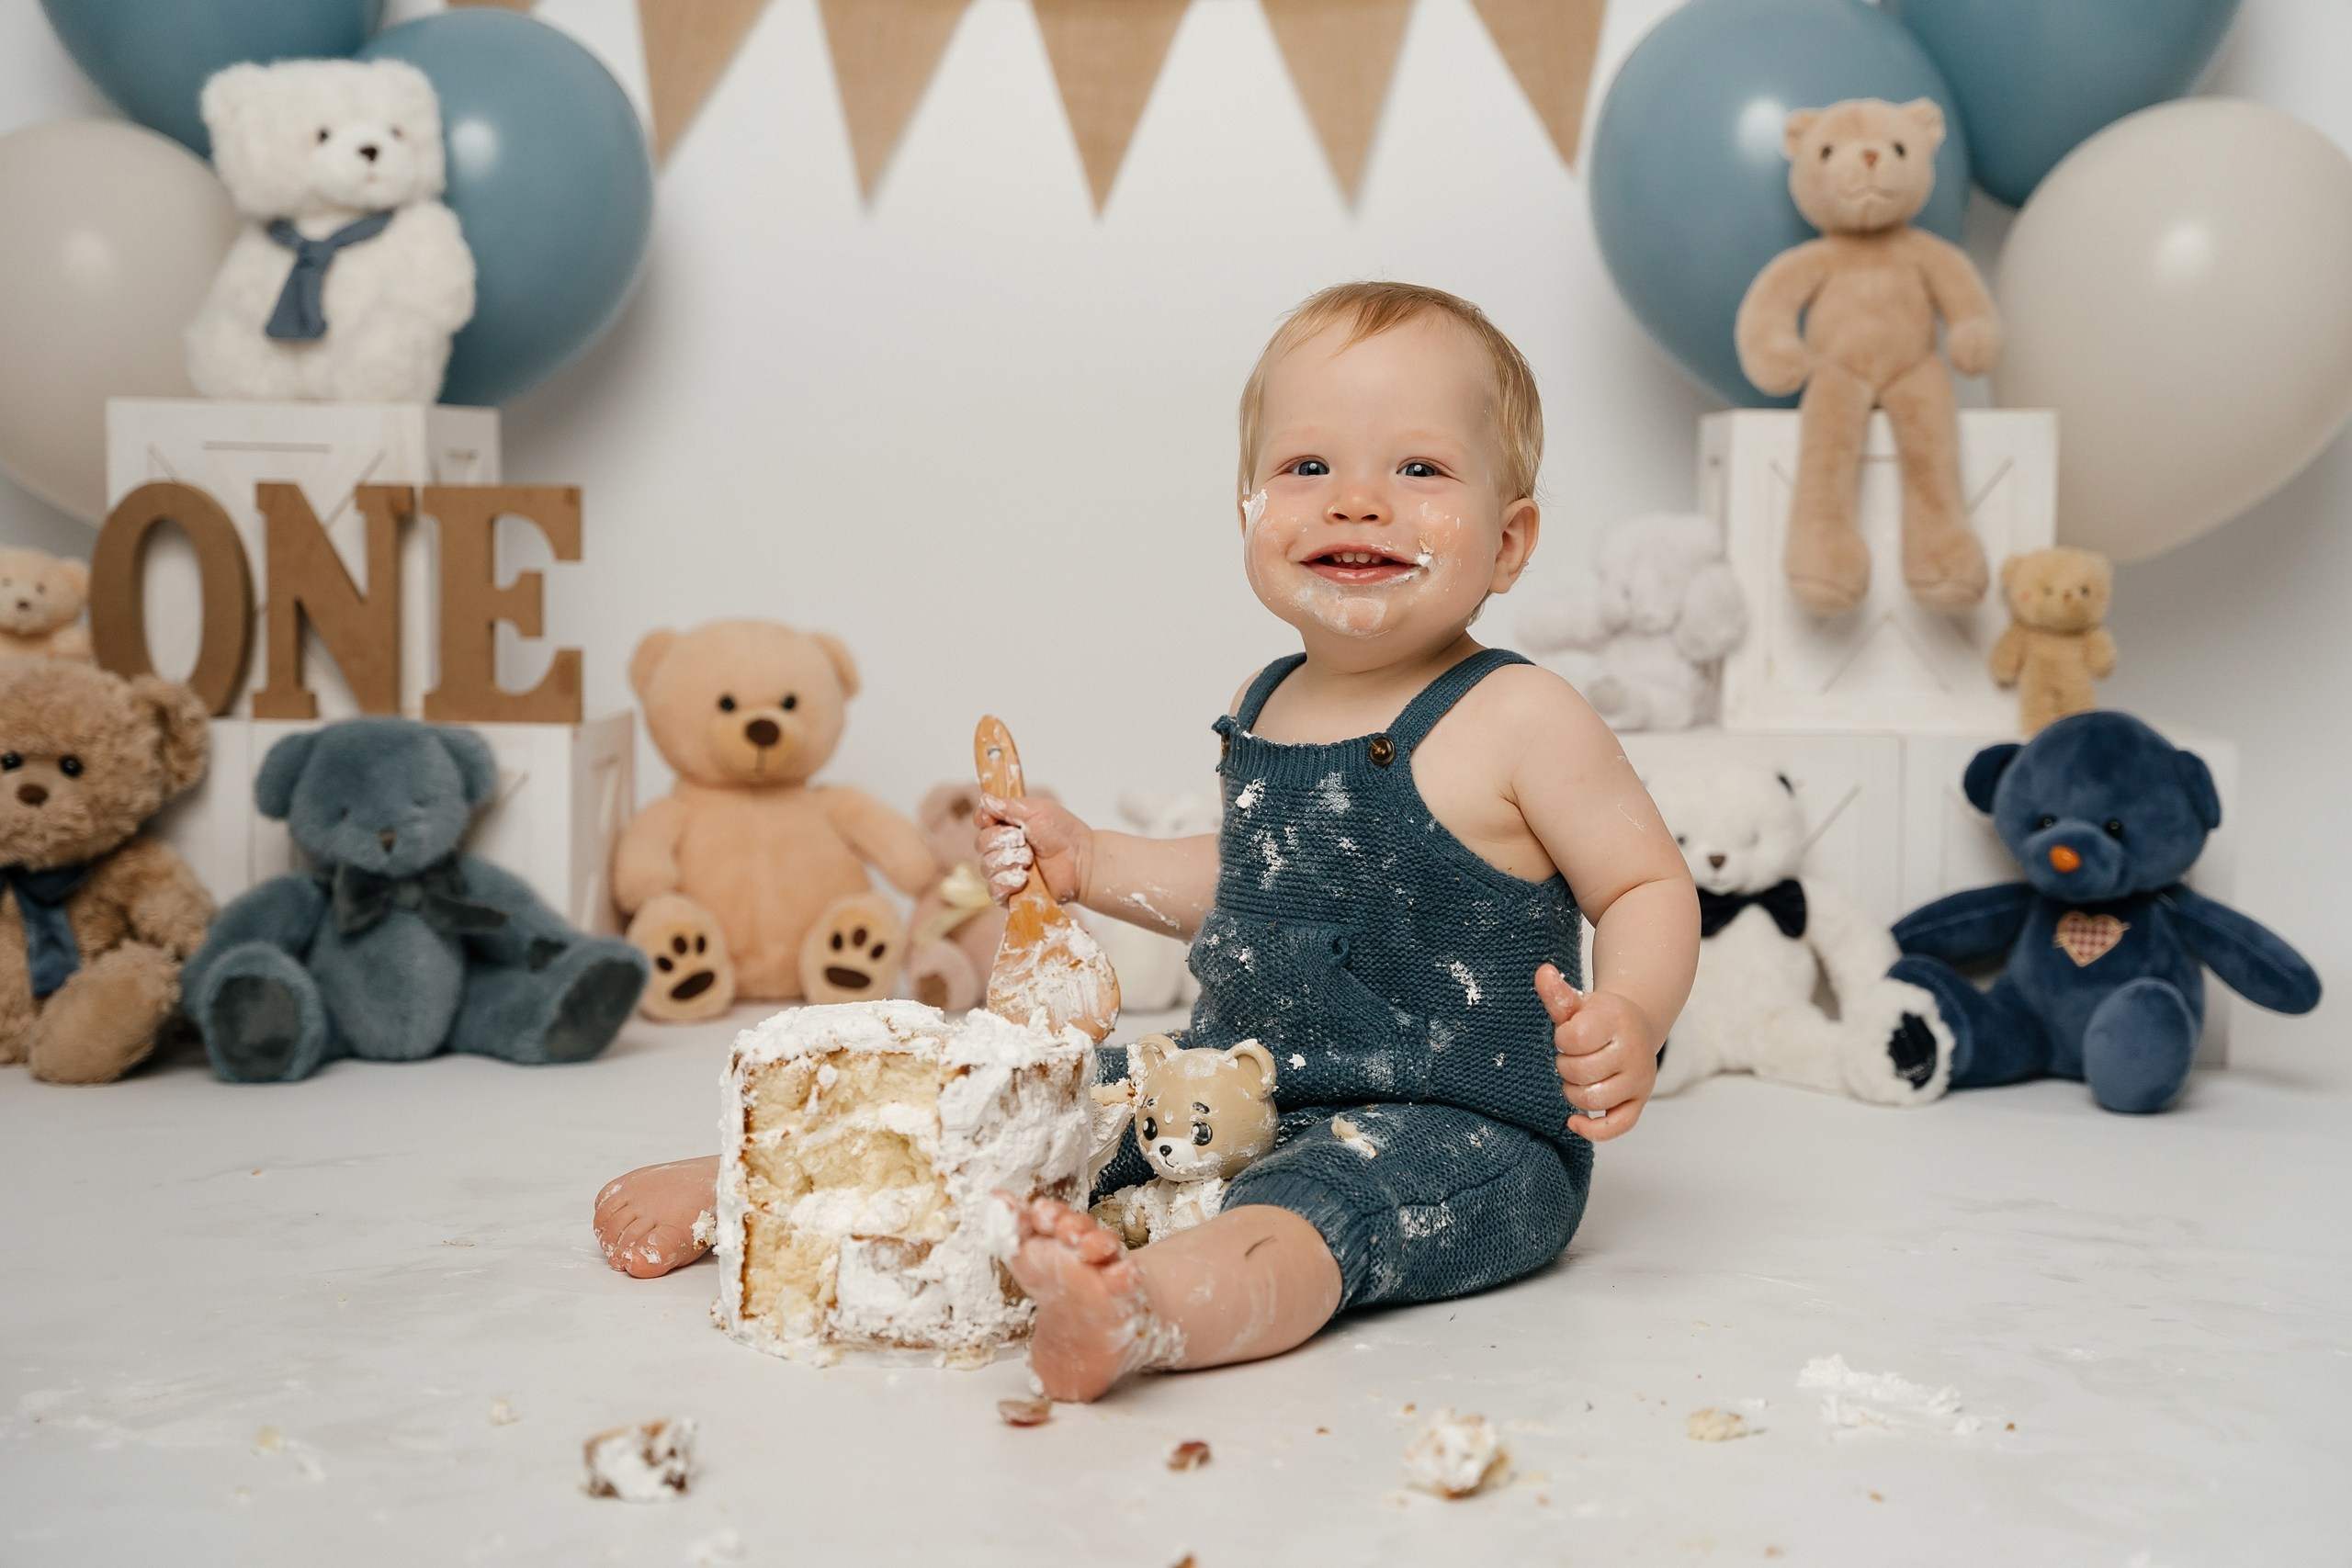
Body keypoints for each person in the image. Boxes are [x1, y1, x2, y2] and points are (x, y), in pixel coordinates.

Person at [591, 282, 1699, 1405]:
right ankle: (767, 1188)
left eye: (1418, 470)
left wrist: (1635, 1015)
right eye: (1308, 469)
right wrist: (1094, 863)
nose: (1356, 501)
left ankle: (1150, 1310)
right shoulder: (1264, 701)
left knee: (1323, 1211)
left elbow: (1648, 882)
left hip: (1457, 1126)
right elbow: (1259, 882)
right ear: (1247, 513)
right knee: (1042, 1098)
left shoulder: (1521, 717)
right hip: (1225, 1089)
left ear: (1509, 542)